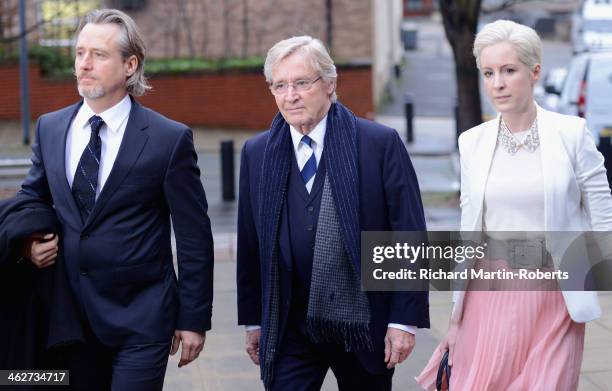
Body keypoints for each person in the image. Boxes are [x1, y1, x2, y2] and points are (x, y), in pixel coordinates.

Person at [19, 9, 214, 390]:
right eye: (79, 53)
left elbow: (194, 237)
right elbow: (32, 199)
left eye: (98, 55)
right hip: (67, 319)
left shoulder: (168, 139)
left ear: (130, 65)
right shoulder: (51, 127)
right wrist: (26, 244)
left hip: (142, 320)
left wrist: (193, 318)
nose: (84, 64)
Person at [416, 20, 612, 390]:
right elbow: (468, 229)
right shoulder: (472, 142)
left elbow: (603, 211)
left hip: (556, 294)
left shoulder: (571, 133)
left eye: (508, 70)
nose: (497, 84)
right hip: (489, 293)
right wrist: (457, 311)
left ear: (534, 71)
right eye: (489, 73)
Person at [236, 35, 429, 391]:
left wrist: (404, 320)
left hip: (363, 325)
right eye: (279, 85)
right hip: (288, 323)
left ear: (329, 83)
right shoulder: (257, 153)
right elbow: (250, 243)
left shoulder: (378, 144)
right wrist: (253, 320)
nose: (290, 95)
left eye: (301, 83)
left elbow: (408, 235)